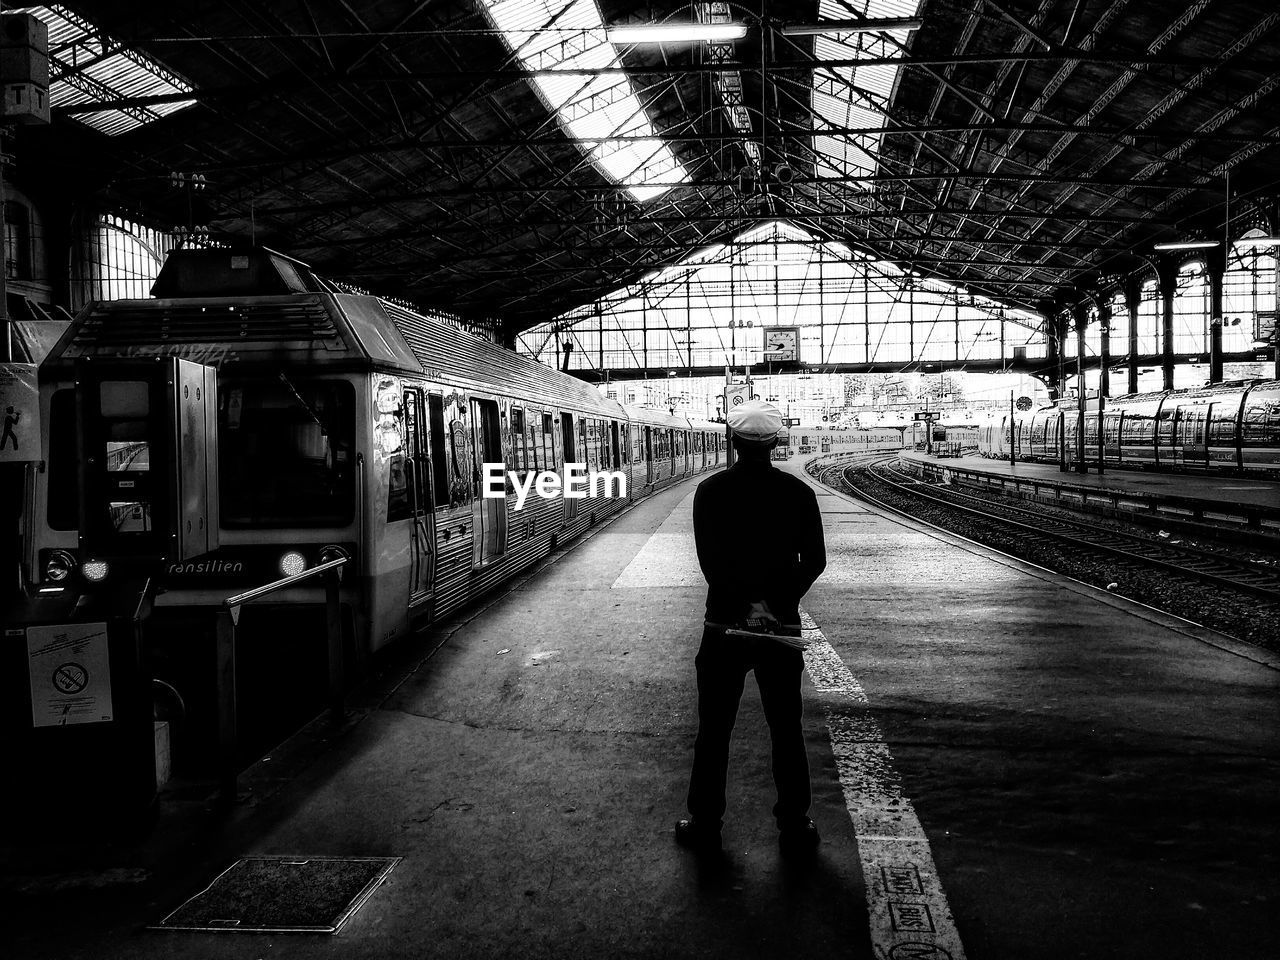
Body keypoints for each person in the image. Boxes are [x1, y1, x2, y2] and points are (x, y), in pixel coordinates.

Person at [676, 399, 826, 855]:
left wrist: (745, 604)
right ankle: (795, 823)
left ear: (732, 441)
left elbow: (711, 564)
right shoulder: (799, 494)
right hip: (780, 629)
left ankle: (705, 822)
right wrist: (773, 603)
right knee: (786, 726)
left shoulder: (711, 492)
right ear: (776, 442)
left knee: (714, 730)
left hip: (724, 627)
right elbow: (815, 561)